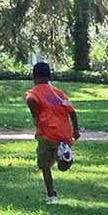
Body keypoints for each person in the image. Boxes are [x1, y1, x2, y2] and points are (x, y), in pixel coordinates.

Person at [25, 61, 80, 203]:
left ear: (34, 77)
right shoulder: (60, 94)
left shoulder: (34, 91)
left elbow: (31, 100)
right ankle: (64, 155)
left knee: (44, 165)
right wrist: (76, 130)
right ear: (49, 76)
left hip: (47, 133)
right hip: (64, 133)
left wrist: (35, 116)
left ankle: (51, 195)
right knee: (61, 166)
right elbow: (72, 112)